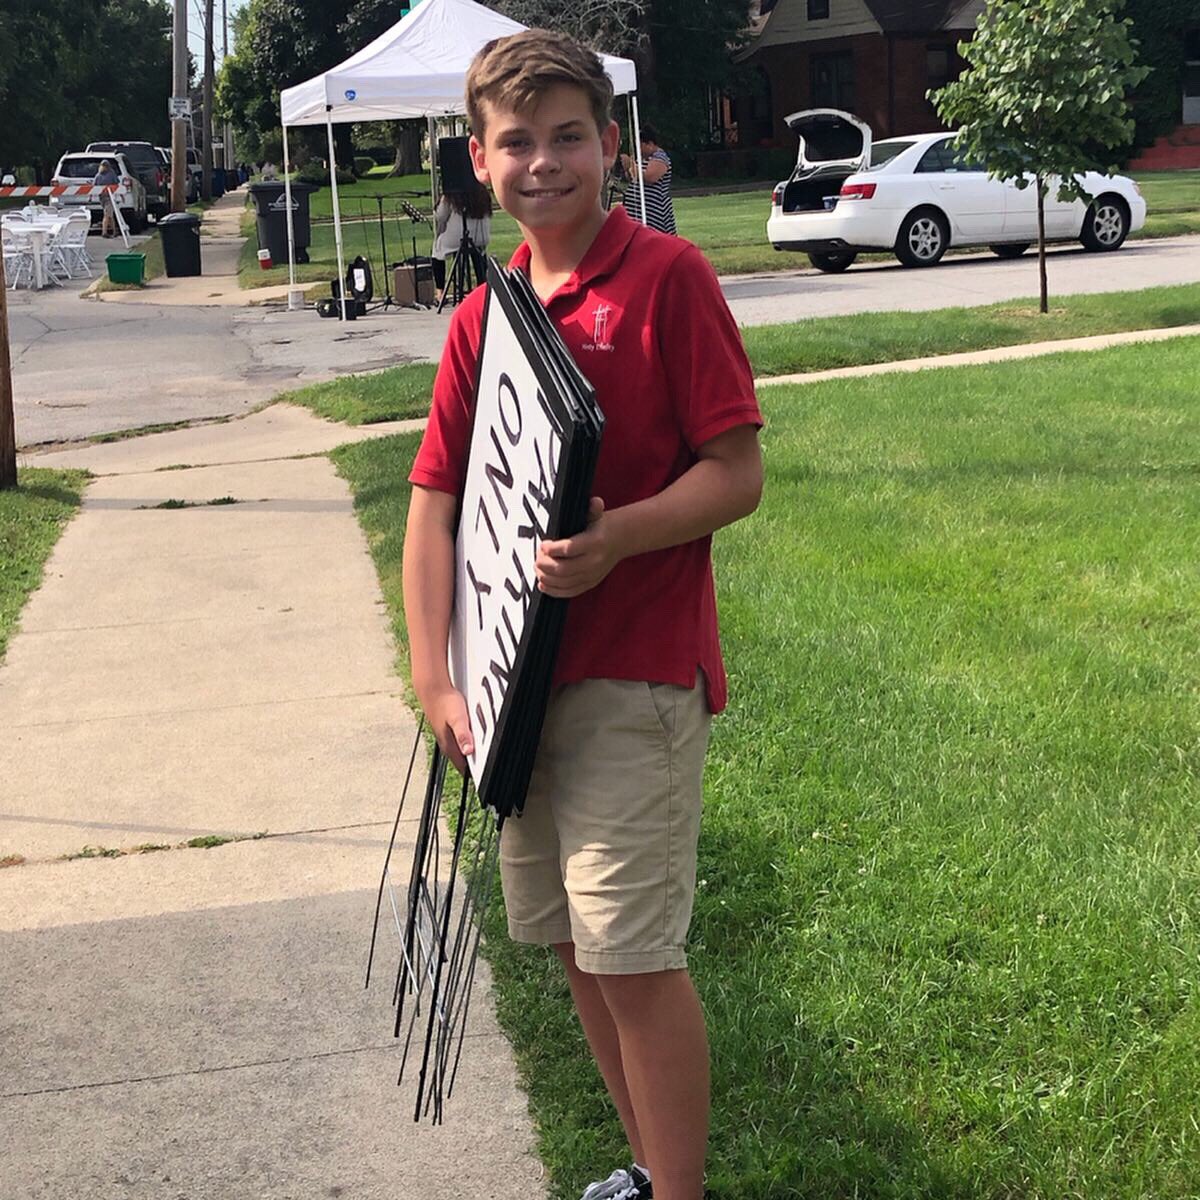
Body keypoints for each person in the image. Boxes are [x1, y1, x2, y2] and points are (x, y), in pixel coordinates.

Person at [403, 29, 763, 1200]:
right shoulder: (486, 317)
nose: (543, 162)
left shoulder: (669, 279)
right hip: (516, 690)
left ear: (612, 144)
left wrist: (617, 540)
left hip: (634, 677)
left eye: (568, 137)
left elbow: (735, 474)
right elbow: (434, 505)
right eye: (516, 143)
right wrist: (436, 676)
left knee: (633, 956)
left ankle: (679, 1190)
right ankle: (650, 1168)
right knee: (571, 943)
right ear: (479, 160)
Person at [431, 180, 492, 299]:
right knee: (479, 252)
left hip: (457, 237)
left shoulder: (452, 193)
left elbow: (440, 216)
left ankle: (440, 292)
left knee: (437, 249)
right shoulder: (483, 192)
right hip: (481, 237)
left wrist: (442, 197)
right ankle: (483, 285)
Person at [620, 125, 676, 235]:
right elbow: (633, 178)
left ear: (650, 144)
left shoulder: (660, 157)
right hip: (637, 211)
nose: (638, 149)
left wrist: (631, 164)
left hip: (653, 212)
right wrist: (628, 169)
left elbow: (650, 177)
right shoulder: (642, 159)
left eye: (640, 145)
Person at [93, 159, 119, 238]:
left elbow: (94, 185)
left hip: (106, 197)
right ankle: (104, 232)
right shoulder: (103, 174)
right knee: (107, 214)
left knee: (110, 214)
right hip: (106, 197)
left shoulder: (99, 175)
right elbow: (116, 182)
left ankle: (114, 231)